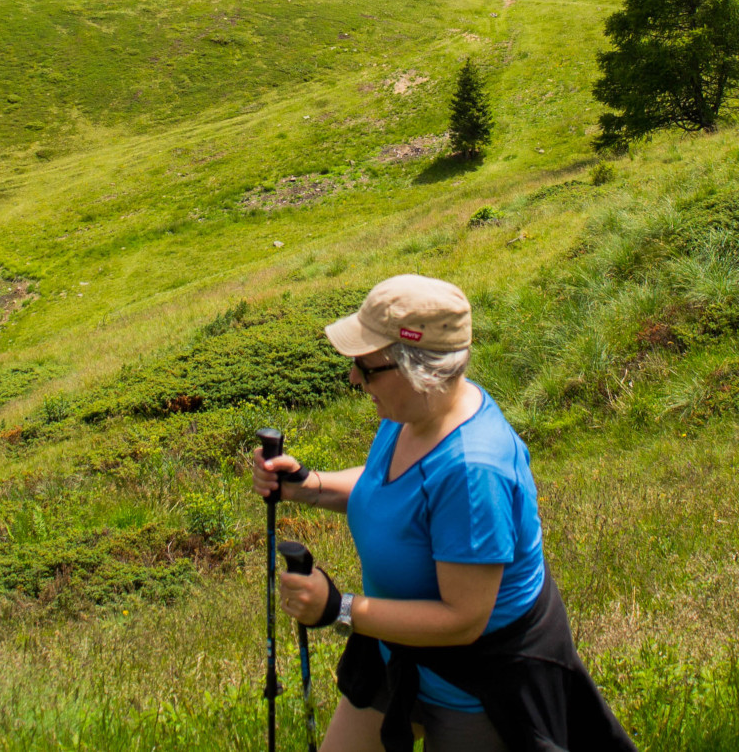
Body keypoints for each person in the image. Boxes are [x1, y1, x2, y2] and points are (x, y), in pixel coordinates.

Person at [251, 274, 634, 752]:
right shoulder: (414, 415)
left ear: (417, 368)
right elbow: (389, 491)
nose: (354, 379)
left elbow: (462, 620)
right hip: (397, 653)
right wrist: (311, 486)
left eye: (366, 368)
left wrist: (339, 609)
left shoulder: (473, 470)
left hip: (475, 689)